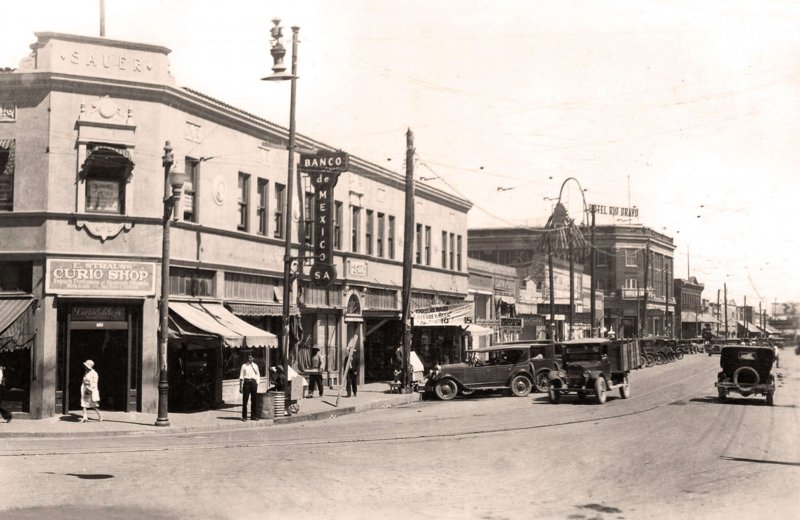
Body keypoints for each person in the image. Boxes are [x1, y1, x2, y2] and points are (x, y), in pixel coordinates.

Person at [238, 352, 260, 421]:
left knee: (254, 400)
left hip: (253, 383)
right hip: (246, 383)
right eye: (248, 357)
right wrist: (241, 387)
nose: (249, 359)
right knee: (245, 400)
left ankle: (254, 416)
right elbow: (241, 377)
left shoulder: (255, 366)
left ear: (253, 358)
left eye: (250, 357)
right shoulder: (244, 366)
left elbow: (258, 375)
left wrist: (257, 383)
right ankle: (244, 417)